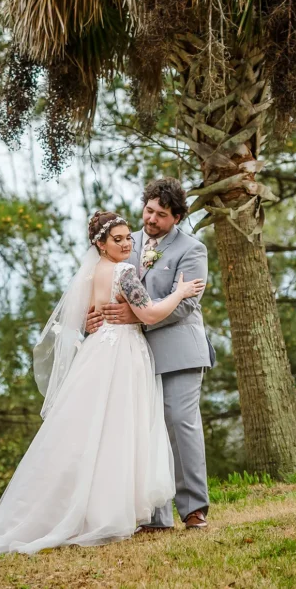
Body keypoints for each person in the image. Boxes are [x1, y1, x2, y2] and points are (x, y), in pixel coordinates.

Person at [0, 211, 205, 557]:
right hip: (124, 353)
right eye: (117, 239)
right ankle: (108, 512)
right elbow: (148, 315)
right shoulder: (124, 270)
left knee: (93, 432)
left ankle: (94, 508)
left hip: (97, 351)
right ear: (99, 244)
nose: (127, 243)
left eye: (128, 238)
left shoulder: (90, 273)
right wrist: (181, 292)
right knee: (120, 432)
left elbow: (89, 316)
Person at [86, 178, 212, 532]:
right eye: (148, 210)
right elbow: (106, 287)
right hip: (132, 352)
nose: (151, 219)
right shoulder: (126, 240)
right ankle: (153, 512)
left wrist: (137, 317)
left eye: (160, 215)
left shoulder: (192, 249)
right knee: (141, 426)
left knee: (178, 422)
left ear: (177, 217)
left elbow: (186, 304)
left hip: (178, 349)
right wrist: (96, 314)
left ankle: (192, 508)